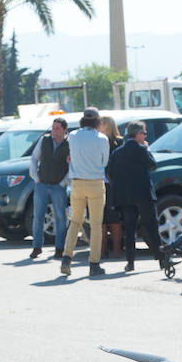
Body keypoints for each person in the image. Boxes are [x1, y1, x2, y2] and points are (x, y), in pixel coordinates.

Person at [106, 120, 166, 273]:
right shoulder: (141, 149)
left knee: (130, 230)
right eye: (144, 133)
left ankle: (130, 262)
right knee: (152, 227)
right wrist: (146, 149)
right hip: (144, 195)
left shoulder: (117, 152)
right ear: (138, 134)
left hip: (126, 197)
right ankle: (162, 260)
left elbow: (109, 174)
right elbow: (152, 165)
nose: (145, 136)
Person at [60, 107, 109, 277]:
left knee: (75, 222)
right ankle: (94, 263)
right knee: (96, 225)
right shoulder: (102, 138)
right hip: (95, 183)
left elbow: (71, 156)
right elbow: (105, 161)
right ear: (97, 120)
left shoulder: (73, 136)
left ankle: (66, 258)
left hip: (77, 183)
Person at [28, 116, 69, 260]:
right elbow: (34, 158)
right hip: (42, 184)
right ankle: (37, 247)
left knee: (60, 217)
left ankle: (59, 248)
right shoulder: (44, 140)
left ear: (64, 130)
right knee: (38, 216)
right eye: (53, 127)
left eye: (57, 128)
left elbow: (72, 166)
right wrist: (36, 178)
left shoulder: (69, 145)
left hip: (58, 186)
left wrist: (64, 183)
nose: (54, 131)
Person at [99, 115, 123, 260]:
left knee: (114, 218)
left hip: (114, 184)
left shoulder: (118, 142)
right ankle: (101, 250)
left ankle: (116, 250)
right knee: (100, 219)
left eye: (100, 124)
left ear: (106, 126)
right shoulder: (97, 140)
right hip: (99, 182)